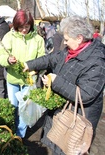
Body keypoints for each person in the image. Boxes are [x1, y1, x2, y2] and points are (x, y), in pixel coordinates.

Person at [23, 15, 105, 154]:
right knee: (58, 145)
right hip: (63, 115)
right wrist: (29, 64)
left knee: (68, 148)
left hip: (77, 120)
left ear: (79, 38)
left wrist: (55, 81)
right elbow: (51, 59)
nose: (64, 43)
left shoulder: (97, 61)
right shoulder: (71, 51)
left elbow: (85, 95)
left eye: (67, 40)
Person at [0, 9, 45, 138]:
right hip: (13, 79)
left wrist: (35, 69)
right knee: (13, 106)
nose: (24, 30)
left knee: (25, 109)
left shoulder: (38, 40)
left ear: (31, 25)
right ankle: (10, 130)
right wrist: (8, 60)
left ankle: (19, 136)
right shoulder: (9, 37)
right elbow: (0, 54)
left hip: (29, 80)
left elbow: (42, 58)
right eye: (21, 27)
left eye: (27, 27)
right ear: (16, 25)